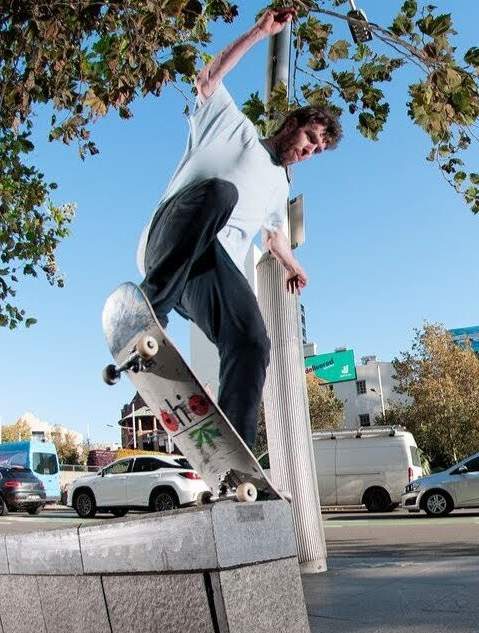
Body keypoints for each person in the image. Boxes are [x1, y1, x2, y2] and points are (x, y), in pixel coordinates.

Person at [137, 7, 342, 449]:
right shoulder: (233, 127)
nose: (309, 151)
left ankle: (234, 456)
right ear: (291, 124)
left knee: (252, 343)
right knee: (221, 194)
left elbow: (273, 235)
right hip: (171, 238)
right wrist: (259, 31)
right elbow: (208, 79)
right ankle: (149, 311)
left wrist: (293, 265)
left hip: (204, 273)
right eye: (309, 139)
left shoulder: (280, 186)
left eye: (317, 151)